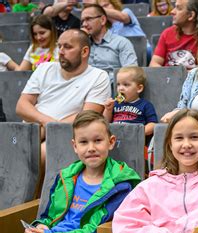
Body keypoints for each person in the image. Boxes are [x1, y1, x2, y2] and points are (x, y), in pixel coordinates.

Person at [11, 110, 141, 233]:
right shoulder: (66, 176)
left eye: (98, 140)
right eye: (84, 142)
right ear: (75, 146)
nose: (91, 148)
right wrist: (40, 227)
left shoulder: (121, 185)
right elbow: (48, 216)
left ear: (111, 141)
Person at [16, 29, 111, 165]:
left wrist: (49, 129)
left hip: (67, 135)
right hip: (33, 132)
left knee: (39, 155)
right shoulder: (44, 69)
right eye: (59, 46)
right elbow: (21, 106)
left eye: (67, 47)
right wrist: (46, 124)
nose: (60, 51)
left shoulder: (98, 76)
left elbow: (87, 115)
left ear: (84, 52)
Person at [81, 4, 138, 80]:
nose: (84, 24)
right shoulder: (82, 45)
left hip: (112, 87)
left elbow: (132, 73)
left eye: (88, 19)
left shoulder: (121, 43)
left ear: (103, 20)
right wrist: (80, 39)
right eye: (82, 21)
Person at [103, 66, 158, 142]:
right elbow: (105, 123)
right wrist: (108, 110)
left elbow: (153, 124)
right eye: (118, 84)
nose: (120, 88)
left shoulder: (145, 105)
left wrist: (137, 133)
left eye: (126, 85)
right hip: (115, 138)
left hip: (134, 140)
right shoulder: (115, 104)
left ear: (139, 88)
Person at [149, 0, 198, 69]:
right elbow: (154, 64)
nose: (172, 12)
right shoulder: (167, 33)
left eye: (178, 8)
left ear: (191, 15)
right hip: (168, 78)